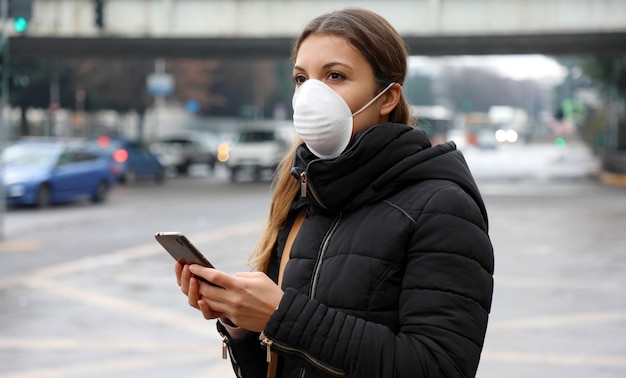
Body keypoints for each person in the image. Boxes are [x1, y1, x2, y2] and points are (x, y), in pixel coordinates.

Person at [175, 7, 494, 378]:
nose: (311, 94)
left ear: (387, 98)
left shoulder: (441, 206)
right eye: (300, 79)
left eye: (335, 76)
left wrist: (283, 316)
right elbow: (280, 367)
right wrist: (242, 326)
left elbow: (441, 367)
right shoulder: (302, 195)